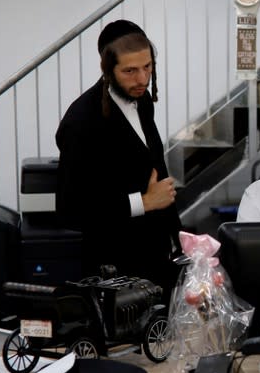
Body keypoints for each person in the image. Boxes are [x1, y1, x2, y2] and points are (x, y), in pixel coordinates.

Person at [56, 20, 182, 300]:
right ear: (108, 70)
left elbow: (155, 174)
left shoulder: (143, 100)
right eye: (130, 71)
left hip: (155, 261)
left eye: (147, 67)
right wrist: (144, 202)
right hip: (112, 273)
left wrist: (181, 241)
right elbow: (71, 210)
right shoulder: (81, 121)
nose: (141, 79)